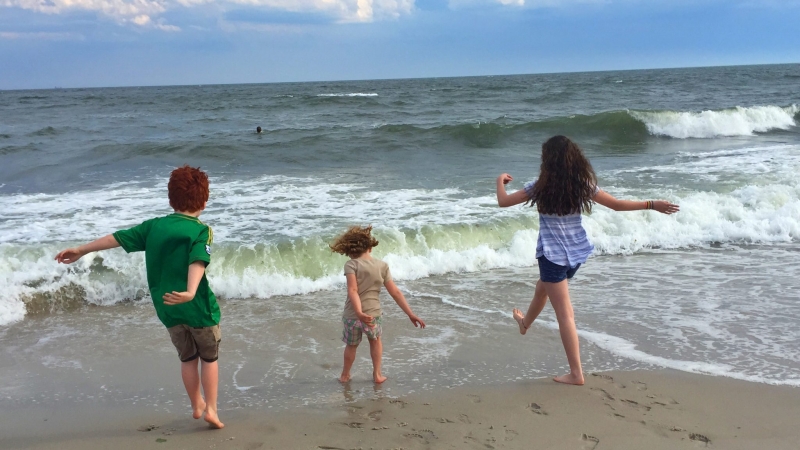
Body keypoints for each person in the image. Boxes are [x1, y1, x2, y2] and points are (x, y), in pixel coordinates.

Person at [495, 135, 679, 386]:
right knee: (542, 289)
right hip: (576, 255)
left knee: (565, 315)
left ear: (547, 162)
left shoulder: (538, 187)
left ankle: (575, 374)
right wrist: (651, 204)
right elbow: (616, 205)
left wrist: (499, 182)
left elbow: (503, 201)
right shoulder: (581, 185)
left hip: (552, 257)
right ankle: (525, 323)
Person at [55, 166, 224, 428]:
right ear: (205, 200)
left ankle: (196, 404)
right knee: (209, 359)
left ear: (171, 199)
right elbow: (198, 260)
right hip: (198, 307)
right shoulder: (202, 230)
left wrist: (82, 249)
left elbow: (117, 238)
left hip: (167, 308)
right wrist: (190, 292)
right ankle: (211, 409)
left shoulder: (154, 226)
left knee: (187, 358)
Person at [330, 225, 426, 384]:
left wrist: (359, 312)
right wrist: (410, 314)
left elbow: (352, 290)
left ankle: (345, 375)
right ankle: (377, 375)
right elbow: (395, 292)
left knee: (351, 346)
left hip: (353, 315)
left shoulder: (351, 265)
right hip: (373, 315)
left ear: (351, 247)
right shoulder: (382, 266)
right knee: (375, 342)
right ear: (369, 246)